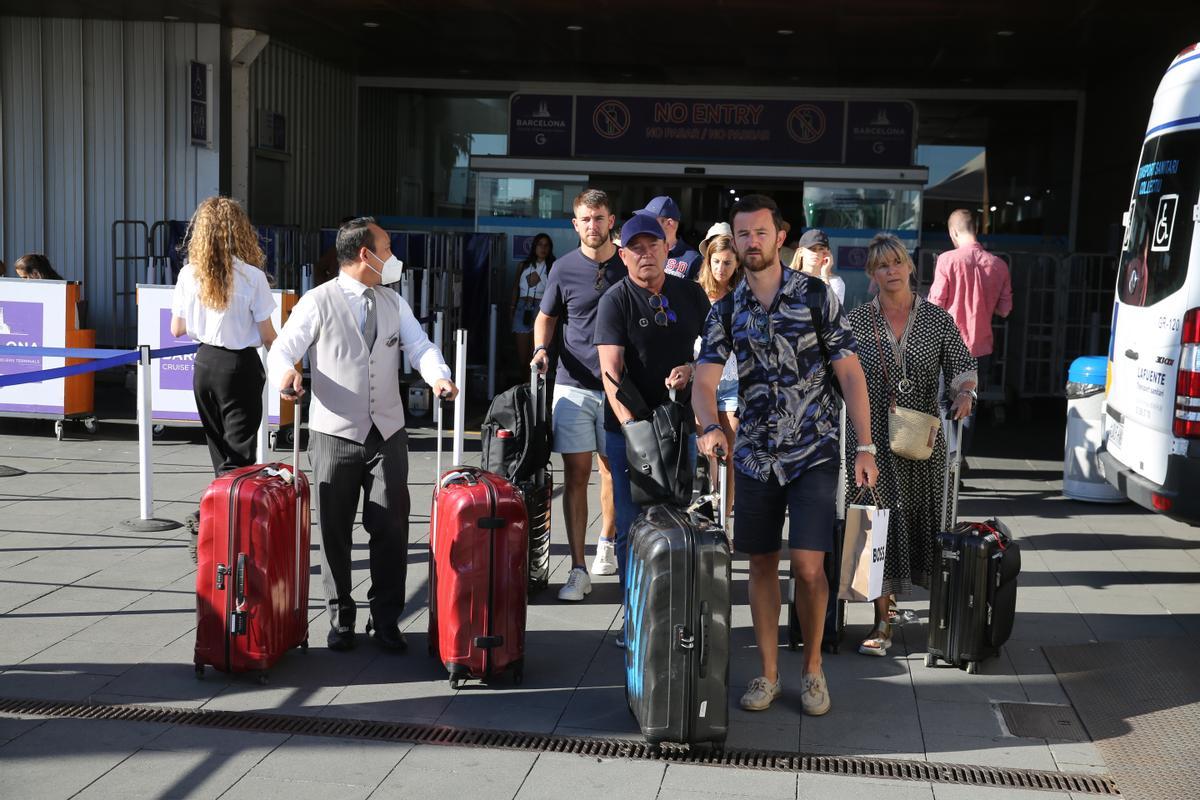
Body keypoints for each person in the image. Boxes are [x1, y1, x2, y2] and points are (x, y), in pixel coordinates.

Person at [694, 194, 878, 717]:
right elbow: (704, 382)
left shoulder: (817, 297)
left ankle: (813, 667)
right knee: (759, 562)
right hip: (754, 454)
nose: (751, 242)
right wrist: (710, 427)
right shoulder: (726, 309)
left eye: (760, 232)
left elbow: (849, 373)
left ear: (781, 236)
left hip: (815, 450)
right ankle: (769, 673)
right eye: (742, 234)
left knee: (810, 567)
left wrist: (864, 445)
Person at [268, 216, 458, 653]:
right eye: (387, 249)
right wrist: (287, 376)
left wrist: (438, 376)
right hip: (334, 431)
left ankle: (386, 617)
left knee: (391, 525)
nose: (394, 258)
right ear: (365, 255)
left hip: (387, 431)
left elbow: (420, 346)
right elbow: (283, 349)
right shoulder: (317, 301)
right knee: (334, 530)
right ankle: (340, 619)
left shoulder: (392, 302)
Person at [845, 233, 976, 656]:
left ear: (910, 267)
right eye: (882, 265)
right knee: (873, 523)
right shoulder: (857, 321)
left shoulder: (937, 320)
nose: (891, 271)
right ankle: (881, 620)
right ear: (872, 274)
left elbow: (963, 364)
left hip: (921, 441)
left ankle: (937, 618)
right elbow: (837, 372)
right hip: (870, 441)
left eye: (897, 262)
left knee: (924, 524)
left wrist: (964, 393)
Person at [595, 213, 711, 645]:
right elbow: (610, 373)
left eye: (653, 245)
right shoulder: (615, 299)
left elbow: (718, 352)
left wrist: (693, 368)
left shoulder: (691, 293)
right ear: (623, 255)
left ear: (668, 248)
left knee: (676, 521)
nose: (646, 254)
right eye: (636, 248)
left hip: (679, 428)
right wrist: (633, 431)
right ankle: (636, 617)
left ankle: (672, 613)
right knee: (631, 527)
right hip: (629, 430)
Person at [532, 189, 622, 601]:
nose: (592, 226)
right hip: (571, 385)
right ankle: (578, 569)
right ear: (575, 224)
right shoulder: (563, 268)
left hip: (619, 389)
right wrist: (540, 351)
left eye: (598, 218)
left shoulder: (628, 264)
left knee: (615, 472)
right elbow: (546, 318)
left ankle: (607, 541)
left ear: (610, 220)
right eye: (585, 219)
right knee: (576, 475)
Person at [170, 197, 278, 490]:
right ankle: (227, 513)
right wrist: (289, 368)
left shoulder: (188, 274)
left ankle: (219, 512)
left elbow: (176, 329)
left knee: (219, 449)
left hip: (204, 363)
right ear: (240, 231)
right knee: (240, 451)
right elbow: (269, 337)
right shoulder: (252, 277)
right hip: (240, 364)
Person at [928, 209, 1012, 457]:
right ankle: (959, 461)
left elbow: (935, 306)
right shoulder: (999, 265)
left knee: (943, 403)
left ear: (954, 232)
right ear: (975, 229)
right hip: (980, 348)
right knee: (968, 404)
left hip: (947, 347)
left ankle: (945, 465)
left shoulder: (947, 260)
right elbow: (1005, 309)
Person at [696, 233, 743, 520]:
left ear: (737, 264)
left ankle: (724, 519)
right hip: (701, 379)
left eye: (727, 263)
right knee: (707, 451)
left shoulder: (743, 296)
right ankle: (707, 513)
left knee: (730, 451)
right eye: (716, 261)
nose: (721, 268)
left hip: (733, 380)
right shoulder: (695, 292)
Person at [510, 233, 555, 368]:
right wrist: (511, 309)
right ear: (534, 247)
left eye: (546, 245)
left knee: (536, 355)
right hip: (522, 307)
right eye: (540, 244)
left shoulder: (552, 266)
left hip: (542, 308)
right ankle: (525, 386)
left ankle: (535, 387)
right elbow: (515, 288)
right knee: (522, 357)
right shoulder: (524, 265)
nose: (543, 248)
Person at [638, 196, 702, 280]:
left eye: (651, 221)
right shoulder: (642, 253)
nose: (646, 225)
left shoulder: (692, 259)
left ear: (670, 223)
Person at [790, 228, 846, 305]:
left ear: (827, 252)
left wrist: (825, 275)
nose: (816, 253)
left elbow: (832, 312)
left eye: (821, 249)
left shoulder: (835, 282)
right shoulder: (788, 278)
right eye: (812, 249)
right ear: (800, 252)